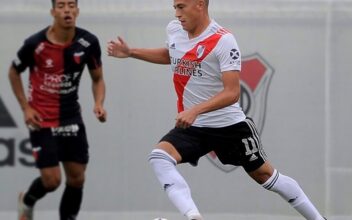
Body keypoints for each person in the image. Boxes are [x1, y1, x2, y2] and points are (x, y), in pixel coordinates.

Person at [107, 0, 326, 219]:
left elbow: (232, 93)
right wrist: (131, 52)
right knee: (159, 157)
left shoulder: (223, 40)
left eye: (181, 6)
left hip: (228, 126)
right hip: (195, 127)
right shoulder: (174, 30)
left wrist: (195, 110)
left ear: (200, 4)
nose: (176, 14)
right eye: (174, 7)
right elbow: (171, 55)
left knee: (265, 176)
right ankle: (194, 216)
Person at [8, 0, 106, 219]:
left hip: (71, 116)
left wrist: (98, 103)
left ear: (77, 11)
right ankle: (27, 201)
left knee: (77, 178)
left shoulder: (88, 42)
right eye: (61, 5)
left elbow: (97, 79)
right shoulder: (35, 44)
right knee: (52, 181)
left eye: (71, 5)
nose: (67, 10)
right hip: (41, 119)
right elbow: (14, 72)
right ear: (53, 12)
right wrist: (25, 107)